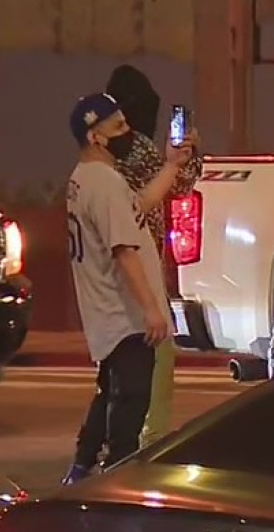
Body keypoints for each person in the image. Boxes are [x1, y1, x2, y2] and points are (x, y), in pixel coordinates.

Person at [60, 66, 203, 485]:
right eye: (119, 127)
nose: (129, 133)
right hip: (124, 314)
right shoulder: (103, 183)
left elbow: (139, 205)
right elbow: (124, 250)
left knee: (110, 391)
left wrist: (172, 164)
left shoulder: (87, 179)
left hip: (111, 312)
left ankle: (82, 467)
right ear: (95, 137)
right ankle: (115, 480)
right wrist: (151, 310)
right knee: (131, 401)